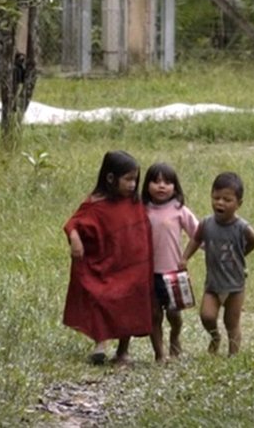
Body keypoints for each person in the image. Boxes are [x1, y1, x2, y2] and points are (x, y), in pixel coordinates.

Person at [64, 151, 154, 365]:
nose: (133, 185)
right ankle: (101, 343)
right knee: (100, 297)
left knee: (130, 303)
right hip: (106, 263)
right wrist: (75, 239)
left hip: (133, 266)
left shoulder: (134, 203)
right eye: (128, 179)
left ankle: (123, 351)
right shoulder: (95, 203)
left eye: (135, 179)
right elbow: (73, 224)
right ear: (111, 178)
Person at [182, 171, 254, 356]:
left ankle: (233, 356)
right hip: (213, 284)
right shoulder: (207, 223)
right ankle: (215, 336)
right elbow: (195, 239)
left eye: (227, 199)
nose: (220, 203)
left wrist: (242, 254)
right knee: (207, 316)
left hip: (235, 284)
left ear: (238, 204)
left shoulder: (241, 227)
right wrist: (184, 257)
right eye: (216, 198)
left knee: (231, 323)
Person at [141, 162, 198, 362]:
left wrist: (186, 257)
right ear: (147, 185)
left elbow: (198, 234)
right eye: (156, 182)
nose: (161, 186)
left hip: (173, 271)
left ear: (175, 186)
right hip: (149, 273)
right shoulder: (142, 210)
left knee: (174, 314)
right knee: (154, 315)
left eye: (167, 182)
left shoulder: (179, 209)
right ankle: (159, 354)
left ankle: (175, 337)